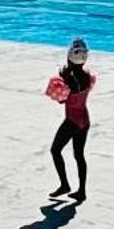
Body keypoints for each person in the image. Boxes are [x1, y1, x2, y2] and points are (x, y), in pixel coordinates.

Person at [45, 38, 95, 202]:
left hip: (72, 119)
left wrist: (62, 78)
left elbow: (62, 100)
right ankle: (81, 191)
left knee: (55, 150)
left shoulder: (68, 76)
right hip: (85, 119)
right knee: (79, 155)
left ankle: (65, 184)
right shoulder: (88, 75)